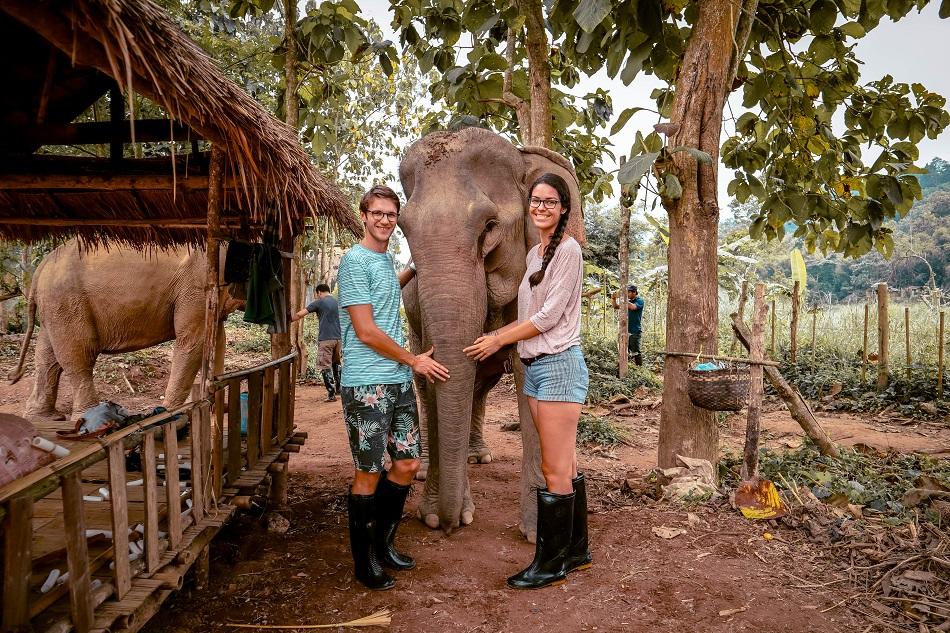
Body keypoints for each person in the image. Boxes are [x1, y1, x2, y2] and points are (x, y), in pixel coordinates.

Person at [464, 173, 591, 590]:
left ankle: (549, 564)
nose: (541, 207)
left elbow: (548, 318)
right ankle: (575, 550)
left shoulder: (568, 251)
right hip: (535, 367)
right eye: (535, 201)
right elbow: (525, 313)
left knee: (553, 468)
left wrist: (497, 338)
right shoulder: (537, 254)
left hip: (558, 365)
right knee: (566, 464)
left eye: (550, 202)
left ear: (564, 209)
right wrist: (505, 339)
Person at [337, 185, 450, 591]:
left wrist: (416, 267)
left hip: (398, 382)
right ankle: (364, 560)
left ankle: (383, 543)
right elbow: (366, 331)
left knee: (406, 463)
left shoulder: (384, 261)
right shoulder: (353, 261)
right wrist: (413, 359)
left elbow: (387, 294)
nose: (385, 219)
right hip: (367, 383)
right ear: (363, 215)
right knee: (367, 471)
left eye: (390, 214)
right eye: (377, 213)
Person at [291, 283, 341, 401]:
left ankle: (331, 394)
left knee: (325, 366)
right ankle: (339, 389)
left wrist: (286, 320)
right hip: (339, 339)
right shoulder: (337, 302)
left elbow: (299, 314)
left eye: (317, 294)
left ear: (319, 292)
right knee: (337, 363)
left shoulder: (319, 302)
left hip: (326, 339)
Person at [613, 284, 645, 366]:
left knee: (636, 352)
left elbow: (633, 307)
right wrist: (613, 298)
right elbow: (616, 306)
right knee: (623, 351)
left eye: (629, 292)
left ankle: (639, 369)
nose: (627, 294)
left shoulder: (640, 301)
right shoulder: (627, 301)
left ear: (634, 292)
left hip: (635, 331)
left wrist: (623, 298)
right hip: (625, 331)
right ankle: (623, 368)